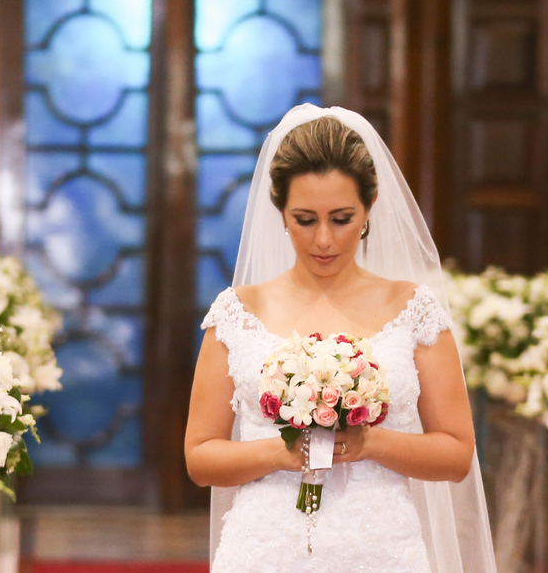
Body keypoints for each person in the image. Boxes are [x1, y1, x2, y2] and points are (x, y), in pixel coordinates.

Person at [184, 104, 497, 572]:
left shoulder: (414, 309)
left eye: (342, 218)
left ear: (369, 209)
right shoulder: (238, 312)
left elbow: (455, 453)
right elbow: (200, 456)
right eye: (305, 219)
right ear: (281, 213)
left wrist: (370, 443)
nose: (324, 240)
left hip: (381, 546)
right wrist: (282, 450)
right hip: (264, 548)